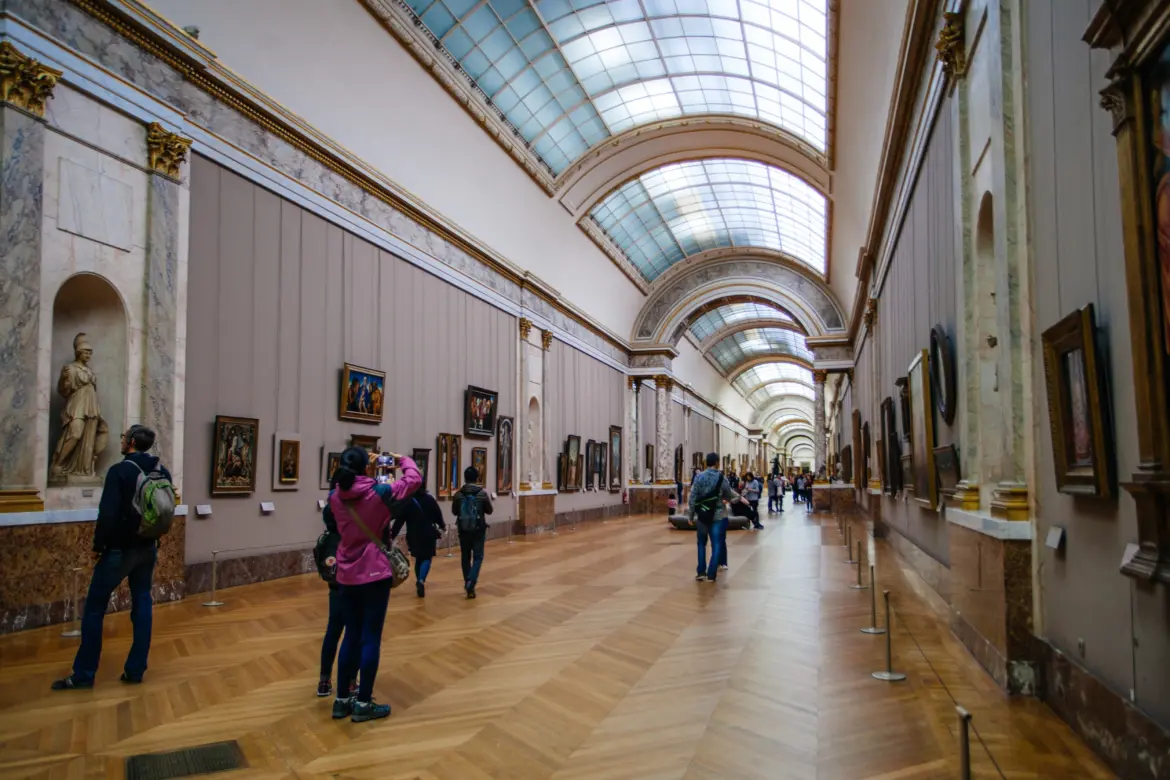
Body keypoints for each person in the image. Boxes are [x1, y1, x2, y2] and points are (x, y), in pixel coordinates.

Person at [52, 425, 169, 690]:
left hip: (119, 550)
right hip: (148, 548)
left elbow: (107, 514)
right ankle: (136, 669)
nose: (120, 439)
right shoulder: (161, 471)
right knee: (142, 604)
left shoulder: (120, 471)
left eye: (122, 436)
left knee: (94, 608)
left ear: (129, 442)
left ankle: (84, 674)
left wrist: (98, 546)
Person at [325, 446, 421, 723]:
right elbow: (413, 480)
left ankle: (342, 699)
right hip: (374, 572)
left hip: (346, 572)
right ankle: (364, 702)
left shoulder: (334, 497)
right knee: (370, 638)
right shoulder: (379, 493)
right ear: (365, 468)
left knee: (351, 635)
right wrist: (402, 460)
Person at [689, 453, 747, 583]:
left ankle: (701, 572)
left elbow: (692, 497)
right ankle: (711, 574)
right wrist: (736, 498)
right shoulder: (722, 478)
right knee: (717, 544)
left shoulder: (699, 477)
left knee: (701, 544)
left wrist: (691, 515)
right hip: (719, 515)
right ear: (717, 462)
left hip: (702, 516)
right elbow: (729, 495)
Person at [390, 486, 445, 598]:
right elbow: (437, 515)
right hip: (428, 534)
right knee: (427, 558)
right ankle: (421, 580)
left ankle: (419, 579)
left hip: (413, 535)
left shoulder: (408, 501)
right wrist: (442, 526)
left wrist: (392, 534)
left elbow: (400, 520)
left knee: (418, 558)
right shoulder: (430, 499)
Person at [452, 466, 493, 599]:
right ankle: (472, 581)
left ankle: (467, 582)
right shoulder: (481, 494)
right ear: (477, 478)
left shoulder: (458, 494)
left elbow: (454, 511)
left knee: (465, 556)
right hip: (478, 529)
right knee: (478, 556)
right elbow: (489, 510)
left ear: (465, 478)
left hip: (463, 530)